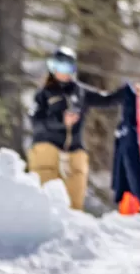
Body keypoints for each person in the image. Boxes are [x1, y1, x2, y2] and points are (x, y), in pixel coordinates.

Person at [27, 47, 130, 210]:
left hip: (74, 151)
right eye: (59, 66)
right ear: (52, 68)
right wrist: (61, 121)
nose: (63, 72)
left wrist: (128, 91)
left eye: (67, 67)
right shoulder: (43, 94)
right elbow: (36, 122)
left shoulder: (80, 92)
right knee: (46, 200)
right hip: (47, 149)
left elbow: (107, 99)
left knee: (74, 202)